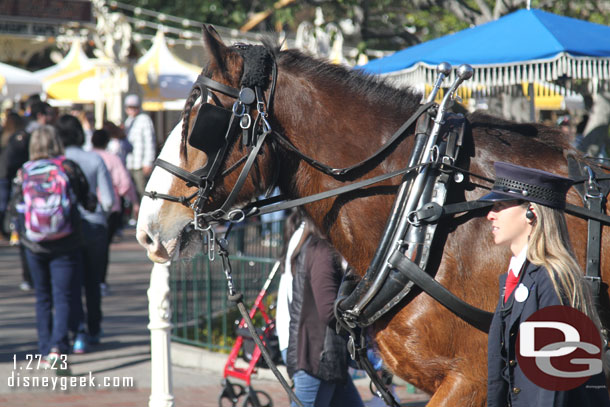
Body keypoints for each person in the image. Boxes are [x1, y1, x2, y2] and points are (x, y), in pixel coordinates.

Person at [481, 162, 610, 407]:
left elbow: (554, 379)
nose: (490, 215)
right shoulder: (518, 276)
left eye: (500, 206)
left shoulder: (551, 278)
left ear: (531, 212)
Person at [14, 125, 93, 374]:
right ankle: (58, 350)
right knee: (64, 296)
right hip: (66, 241)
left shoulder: (24, 171)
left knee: (42, 297)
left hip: (34, 243)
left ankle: (44, 348)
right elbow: (87, 200)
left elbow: (15, 207)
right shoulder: (67, 167)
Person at [284, 211, 364, 407]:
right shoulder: (321, 251)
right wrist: (362, 310)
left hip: (326, 360)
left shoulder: (315, 248)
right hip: (317, 361)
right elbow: (328, 311)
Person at [56, 114, 115, 353]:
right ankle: (94, 329)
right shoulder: (94, 159)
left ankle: (75, 332)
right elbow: (109, 201)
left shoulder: (56, 162)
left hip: (65, 227)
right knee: (93, 282)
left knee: (69, 283)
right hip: (94, 226)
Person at [91, 128, 139, 295]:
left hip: (87, 209)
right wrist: (134, 202)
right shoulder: (113, 159)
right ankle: (100, 281)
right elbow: (125, 183)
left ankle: (87, 279)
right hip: (110, 208)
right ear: (106, 142)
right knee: (103, 247)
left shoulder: (86, 157)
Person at [123, 94, 155, 201]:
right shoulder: (128, 121)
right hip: (130, 164)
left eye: (134, 107)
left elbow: (150, 141)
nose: (131, 110)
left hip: (140, 164)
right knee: (131, 194)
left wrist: (148, 162)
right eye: (129, 107)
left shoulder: (144, 119)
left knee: (143, 192)